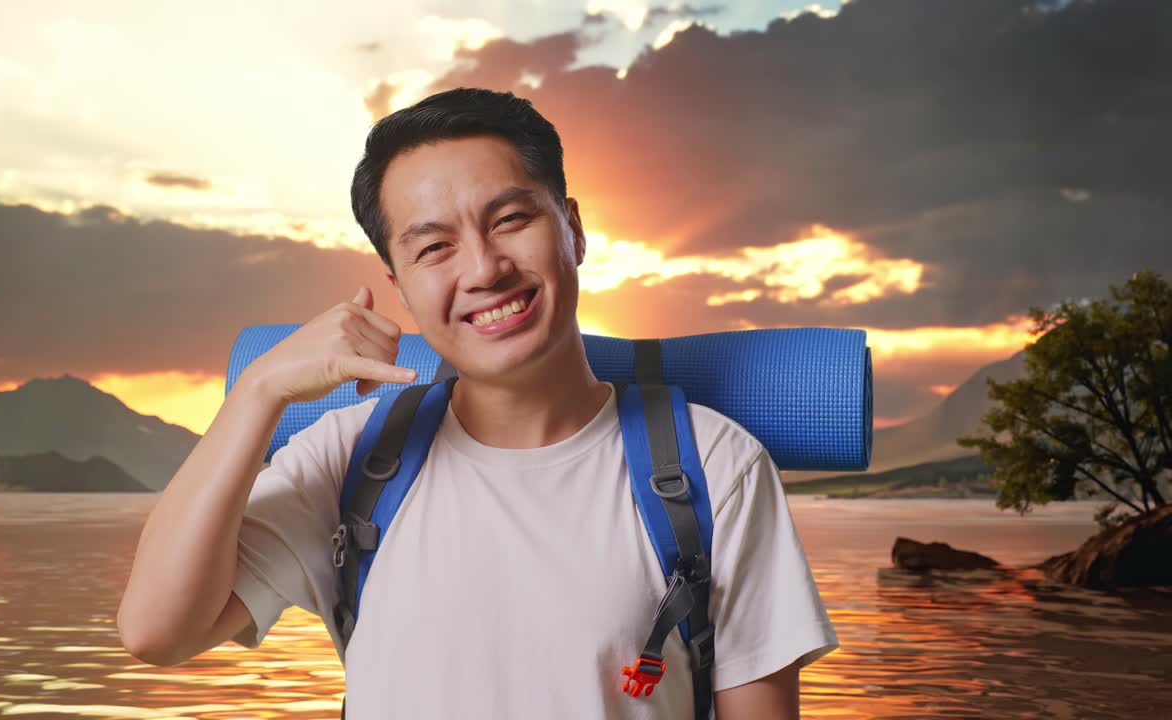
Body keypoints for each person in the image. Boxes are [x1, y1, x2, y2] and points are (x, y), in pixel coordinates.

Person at [117, 86, 839, 719]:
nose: (485, 269)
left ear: (574, 229)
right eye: (434, 248)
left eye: (511, 219)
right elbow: (157, 631)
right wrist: (260, 389)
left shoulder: (715, 467)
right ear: (400, 286)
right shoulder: (353, 459)